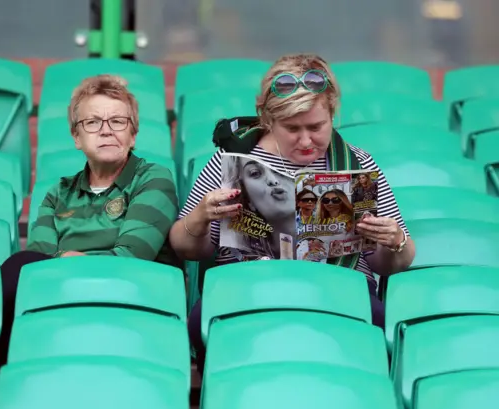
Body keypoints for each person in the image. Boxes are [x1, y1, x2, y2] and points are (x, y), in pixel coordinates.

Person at [168, 53, 416, 375]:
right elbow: (186, 247)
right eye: (292, 128)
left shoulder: (356, 163)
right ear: (268, 120)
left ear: (333, 114)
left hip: (340, 292)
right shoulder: (230, 162)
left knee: (379, 324)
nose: (305, 140)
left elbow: (390, 262)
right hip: (248, 289)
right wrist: (199, 219)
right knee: (201, 320)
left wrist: (394, 241)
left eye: (316, 127)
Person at [0, 74, 179, 366]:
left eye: (118, 121)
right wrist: (63, 262)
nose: (106, 131)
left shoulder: (153, 178)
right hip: (60, 298)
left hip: (132, 300)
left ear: (133, 135)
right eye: (93, 122)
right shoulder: (58, 193)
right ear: (76, 137)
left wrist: (68, 260)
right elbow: (36, 261)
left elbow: (131, 258)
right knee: (16, 270)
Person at [221, 155, 296, 260]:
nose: (273, 180)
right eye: (255, 173)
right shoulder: (238, 255)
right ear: (248, 200)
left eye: (279, 169)